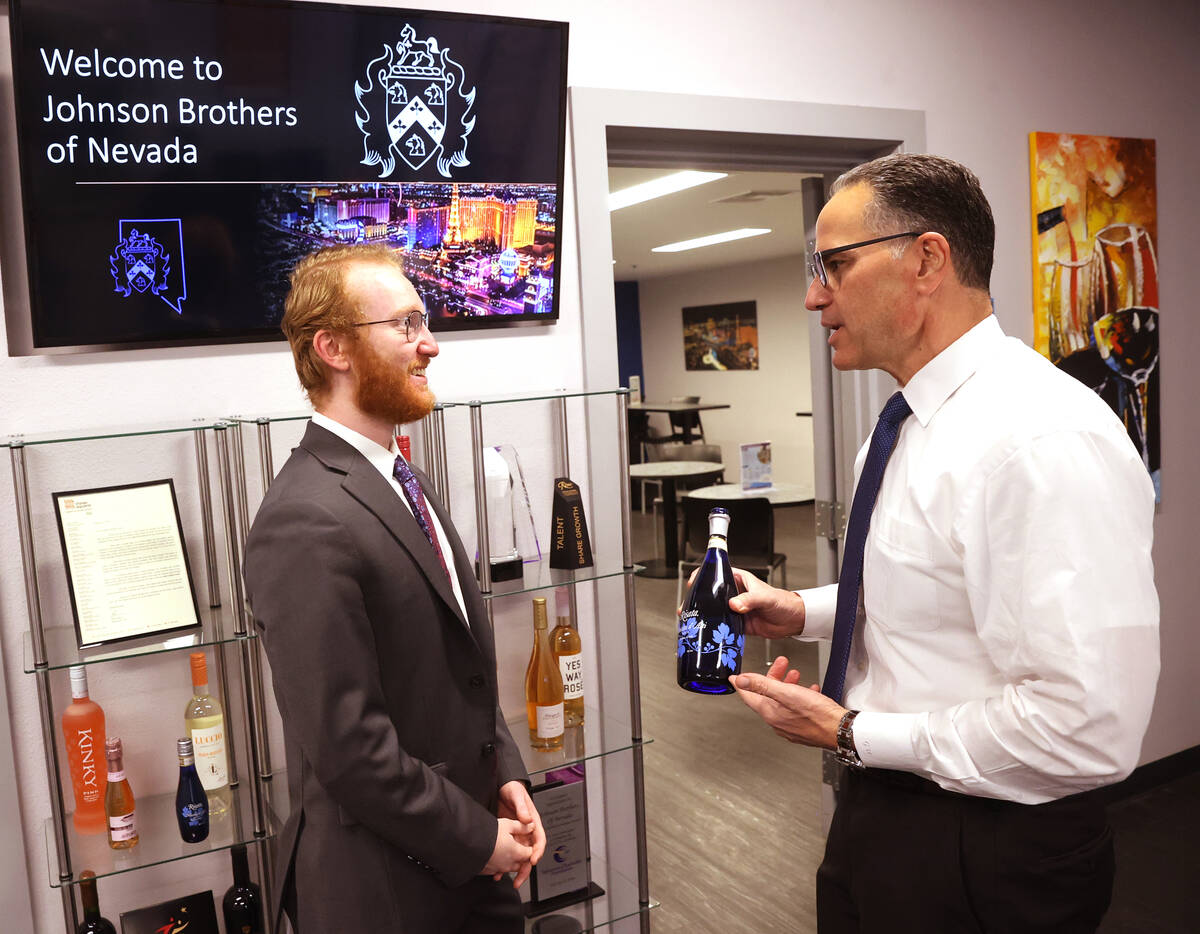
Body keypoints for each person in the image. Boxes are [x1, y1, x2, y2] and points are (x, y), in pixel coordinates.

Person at [728, 153, 1159, 933]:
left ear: (927, 259)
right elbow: (924, 587)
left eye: (834, 265)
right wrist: (799, 611)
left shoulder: (1040, 439)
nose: (812, 294)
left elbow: (1083, 728)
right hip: (882, 812)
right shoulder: (902, 427)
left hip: (989, 848)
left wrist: (852, 732)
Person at [243, 243, 544, 933]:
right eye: (407, 325)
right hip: (386, 894)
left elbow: (456, 671)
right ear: (334, 348)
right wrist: (475, 838)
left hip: (466, 862)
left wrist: (505, 774)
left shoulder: (398, 476)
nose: (430, 345)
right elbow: (349, 748)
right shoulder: (302, 518)